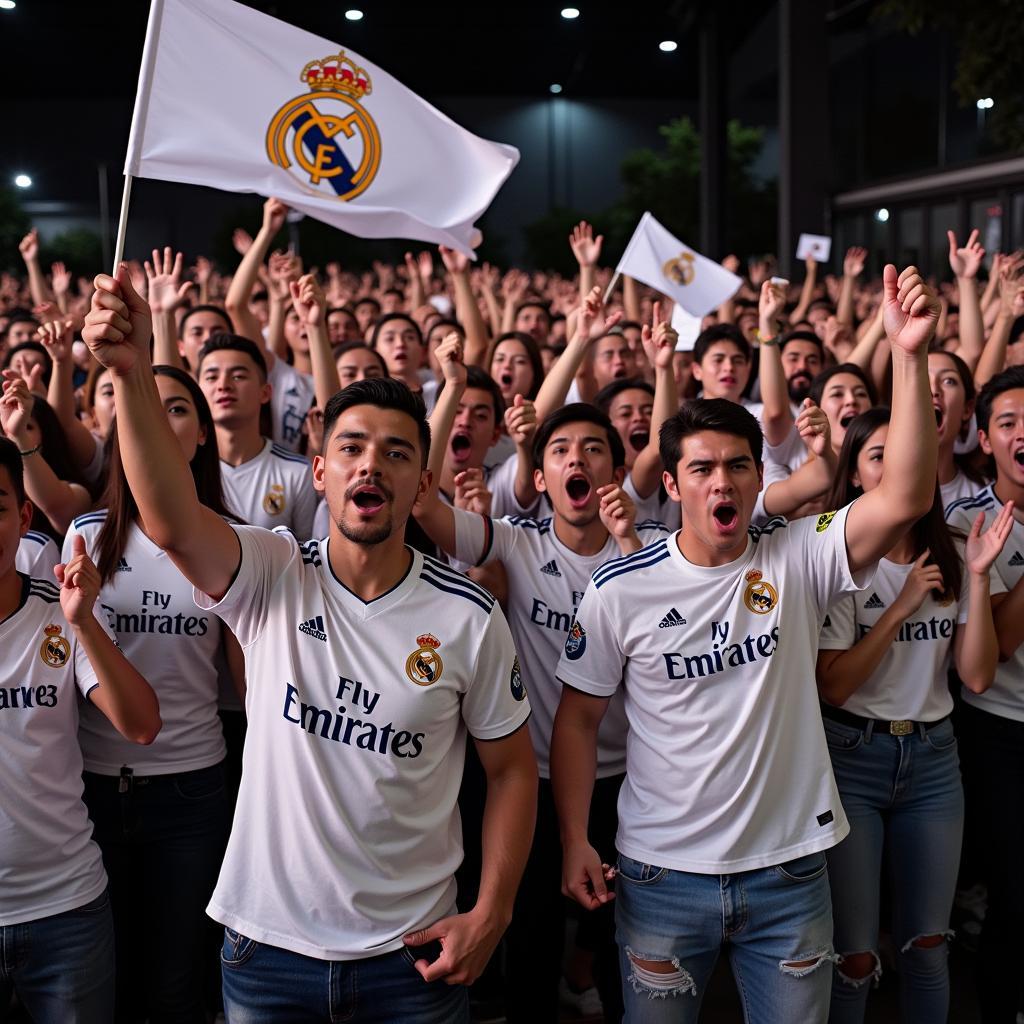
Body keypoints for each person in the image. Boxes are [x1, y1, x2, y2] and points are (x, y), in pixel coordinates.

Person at [82, 265, 537, 1022]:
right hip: (268, 956)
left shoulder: (468, 617)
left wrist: (492, 912)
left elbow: (513, 770)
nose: (371, 464)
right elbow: (166, 515)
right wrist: (131, 374)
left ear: (420, 482)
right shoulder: (271, 571)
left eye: (395, 453)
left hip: (412, 960)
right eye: (352, 448)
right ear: (320, 473)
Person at [550, 265, 941, 1023]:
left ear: (758, 476)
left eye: (736, 465)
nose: (720, 481)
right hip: (661, 875)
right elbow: (576, 720)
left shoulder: (798, 553)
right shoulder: (619, 589)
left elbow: (905, 498)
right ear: (673, 482)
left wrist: (912, 357)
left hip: (788, 873)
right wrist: (573, 838)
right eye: (700, 468)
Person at [416, 330, 675, 1024]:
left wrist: (626, 548)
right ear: (538, 478)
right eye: (560, 451)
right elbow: (422, 502)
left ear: (615, 471)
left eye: (594, 448)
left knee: (629, 942)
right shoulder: (516, 540)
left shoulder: (655, 550)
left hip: (635, 780)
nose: (576, 460)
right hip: (527, 779)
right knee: (527, 935)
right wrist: (448, 388)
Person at [816, 406, 1010, 1023]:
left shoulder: (956, 547)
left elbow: (978, 674)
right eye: (881, 456)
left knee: (928, 946)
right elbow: (835, 687)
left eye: (913, 456)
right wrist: (899, 608)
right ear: (855, 475)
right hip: (853, 760)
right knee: (854, 956)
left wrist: (978, 580)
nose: (903, 467)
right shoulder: (838, 557)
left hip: (933, 762)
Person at [65, 364, 241, 1022]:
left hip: (191, 790)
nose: (159, 421)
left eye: (176, 409)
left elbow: (248, 684)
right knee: (107, 980)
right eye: (146, 407)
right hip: (90, 787)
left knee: (175, 980)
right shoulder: (84, 534)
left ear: (201, 435)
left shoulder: (230, 542)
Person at [0, 435, 160, 1022]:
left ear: (21, 518)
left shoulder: (59, 615)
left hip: (65, 910)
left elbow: (141, 725)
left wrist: (85, 622)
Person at [945, 366, 1024, 1022]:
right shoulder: (969, 522)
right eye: (1009, 422)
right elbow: (995, 646)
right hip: (1001, 730)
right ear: (986, 439)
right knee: (1018, 892)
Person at [196, 334, 317, 537]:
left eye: (238, 376)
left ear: (266, 393)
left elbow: (306, 558)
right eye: (211, 377)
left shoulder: (297, 471)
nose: (223, 385)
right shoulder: (186, 469)